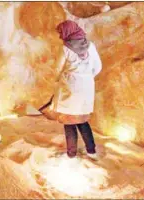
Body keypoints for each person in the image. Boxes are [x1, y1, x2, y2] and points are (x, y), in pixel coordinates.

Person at [52, 20, 102, 159]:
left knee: (69, 122)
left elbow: (57, 68)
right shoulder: (90, 46)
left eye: (61, 32)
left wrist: (58, 79)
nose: (60, 35)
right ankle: (91, 150)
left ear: (67, 32)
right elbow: (98, 67)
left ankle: (71, 153)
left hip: (70, 86)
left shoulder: (65, 48)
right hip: (86, 86)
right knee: (82, 120)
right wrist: (86, 77)